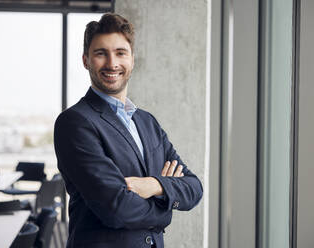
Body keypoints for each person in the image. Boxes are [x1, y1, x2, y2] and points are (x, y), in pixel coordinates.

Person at [54, 13, 203, 248]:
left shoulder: (147, 122)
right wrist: (166, 210)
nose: (112, 63)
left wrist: (154, 185)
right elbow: (116, 209)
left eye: (120, 53)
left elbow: (194, 188)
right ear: (86, 60)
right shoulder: (75, 122)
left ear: (133, 59)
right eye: (101, 53)